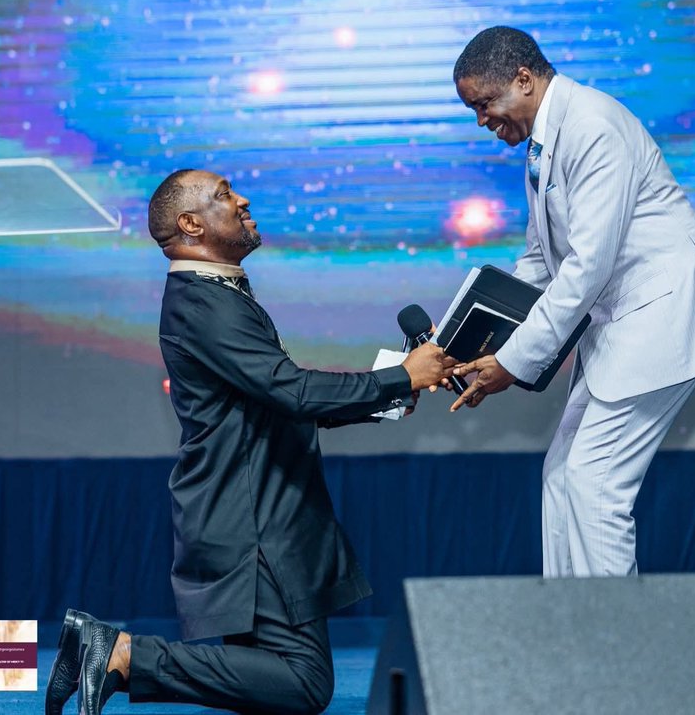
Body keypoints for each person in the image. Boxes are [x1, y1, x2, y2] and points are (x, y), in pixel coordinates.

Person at [44, 168, 456, 715]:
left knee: (273, 689)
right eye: (223, 195)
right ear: (190, 224)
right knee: (303, 683)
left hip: (257, 509)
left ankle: (118, 653)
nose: (241, 199)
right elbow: (292, 390)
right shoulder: (204, 301)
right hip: (255, 521)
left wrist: (386, 393)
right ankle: (122, 653)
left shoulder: (214, 294)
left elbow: (278, 401)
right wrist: (401, 376)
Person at [449, 26, 695, 578]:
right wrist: (470, 342)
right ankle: (574, 635)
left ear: (523, 79)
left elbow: (586, 267)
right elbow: (540, 262)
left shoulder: (592, 126)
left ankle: (615, 653)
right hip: (624, 321)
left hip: (664, 312)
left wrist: (512, 362)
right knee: (563, 475)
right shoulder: (546, 139)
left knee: (595, 484)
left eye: (484, 104)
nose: (481, 120)